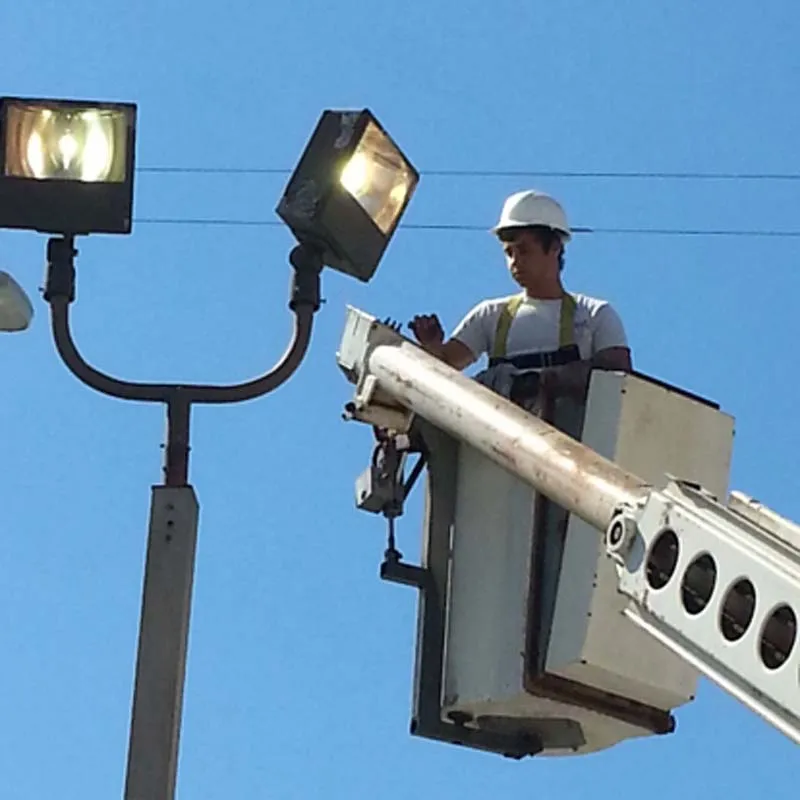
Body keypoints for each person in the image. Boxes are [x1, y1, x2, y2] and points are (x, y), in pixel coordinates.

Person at [408, 190, 632, 404]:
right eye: (509, 252)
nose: (514, 262)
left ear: (554, 247)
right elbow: (444, 368)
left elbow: (619, 374)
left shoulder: (594, 315)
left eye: (524, 250)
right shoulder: (491, 316)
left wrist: (561, 378)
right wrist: (432, 346)